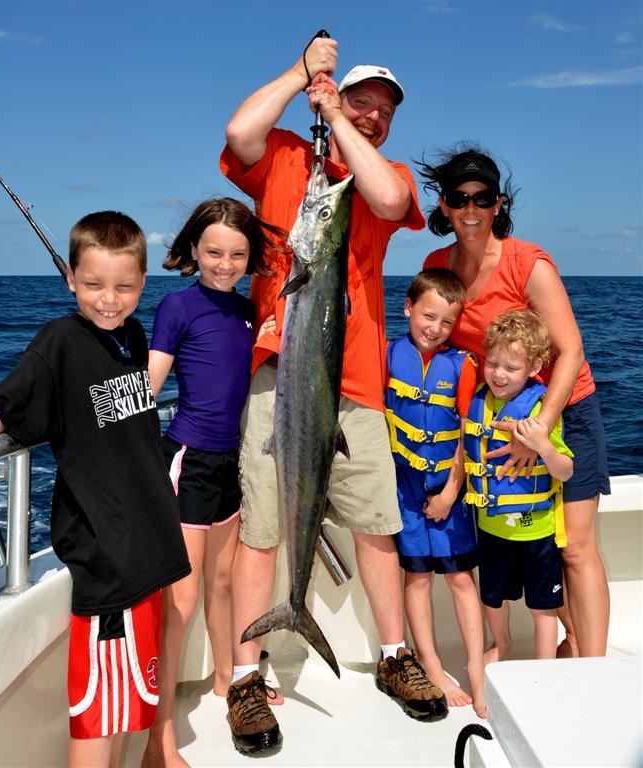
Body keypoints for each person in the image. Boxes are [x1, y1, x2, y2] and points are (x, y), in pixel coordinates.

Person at [219, 37, 435, 753]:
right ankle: (247, 679)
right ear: (337, 93)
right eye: (362, 101)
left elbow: (391, 197)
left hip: (356, 384)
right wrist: (302, 75)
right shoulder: (283, 155)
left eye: (383, 111)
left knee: (377, 526)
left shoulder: (374, 174)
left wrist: (339, 119)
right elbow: (239, 133)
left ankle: (393, 659)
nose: (374, 116)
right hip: (281, 375)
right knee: (262, 529)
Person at [0, 212, 190, 768]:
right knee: (98, 721)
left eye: (124, 287)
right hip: (110, 566)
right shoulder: (58, 343)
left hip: (145, 552)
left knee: (126, 712)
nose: (109, 300)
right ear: (70, 279)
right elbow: (4, 408)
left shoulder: (131, 335)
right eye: (94, 285)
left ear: (144, 283)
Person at [419, 146, 611, 660]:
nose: (471, 209)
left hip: (561, 412)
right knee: (530, 539)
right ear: (444, 205)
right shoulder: (437, 265)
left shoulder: (528, 262)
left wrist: (539, 430)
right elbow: (436, 342)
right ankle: (564, 644)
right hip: (497, 425)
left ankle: (591, 665)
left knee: (572, 546)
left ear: (498, 203)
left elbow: (570, 351)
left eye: (483, 198)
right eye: (460, 199)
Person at [141, 198, 280, 767]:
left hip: (232, 464)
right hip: (190, 462)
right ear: (193, 250)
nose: (225, 263)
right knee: (183, 599)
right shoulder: (177, 306)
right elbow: (148, 386)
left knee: (223, 584)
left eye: (238, 254)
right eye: (214, 252)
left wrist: (269, 331)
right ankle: (158, 739)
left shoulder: (249, 311)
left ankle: (229, 681)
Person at [386, 267, 486, 718]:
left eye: (446, 322)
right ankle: (430, 662)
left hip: (450, 488)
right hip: (403, 488)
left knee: (462, 578)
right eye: (428, 316)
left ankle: (476, 665)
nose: (435, 329)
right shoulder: (385, 354)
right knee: (417, 577)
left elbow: (469, 433)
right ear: (408, 308)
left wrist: (450, 491)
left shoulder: (462, 365)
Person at [465, 309, 574, 660]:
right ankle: (502, 643)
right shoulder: (479, 401)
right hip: (491, 527)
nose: (498, 374)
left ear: (534, 368)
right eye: (492, 363)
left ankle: (544, 670)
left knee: (543, 608)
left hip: (536, 532)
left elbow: (565, 471)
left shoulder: (540, 410)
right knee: (491, 597)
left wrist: (542, 444)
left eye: (510, 368)